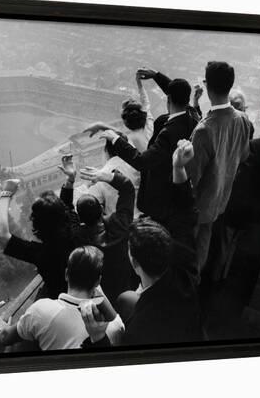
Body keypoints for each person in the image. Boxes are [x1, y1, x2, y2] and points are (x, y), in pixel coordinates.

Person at [80, 141, 203, 347]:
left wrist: (97, 337)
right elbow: (185, 213)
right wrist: (178, 167)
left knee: (125, 299)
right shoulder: (187, 271)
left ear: (134, 263)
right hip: (193, 329)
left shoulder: (141, 327)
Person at [93, 76, 199, 244]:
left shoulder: (166, 132)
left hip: (158, 195)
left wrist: (113, 138)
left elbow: (142, 162)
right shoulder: (192, 117)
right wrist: (156, 76)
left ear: (169, 98)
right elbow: (164, 97)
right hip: (174, 190)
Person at [0, 246, 124, 350]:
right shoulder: (113, 327)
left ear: (66, 274)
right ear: (98, 282)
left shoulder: (41, 310)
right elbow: (117, 322)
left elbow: (6, 337)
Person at [186, 61, 253, 275]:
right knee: (202, 253)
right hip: (220, 200)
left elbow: (191, 177)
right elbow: (243, 155)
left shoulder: (204, 130)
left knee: (189, 258)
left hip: (198, 207)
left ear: (207, 87)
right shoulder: (243, 120)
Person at [57, 154, 137, 302]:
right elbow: (127, 189)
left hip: (100, 297)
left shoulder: (77, 237)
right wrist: (105, 176)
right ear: (101, 210)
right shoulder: (120, 224)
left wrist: (70, 179)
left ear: (79, 218)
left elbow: (65, 211)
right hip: (127, 288)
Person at [0, 179, 76, 299]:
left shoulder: (42, 253)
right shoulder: (75, 230)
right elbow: (66, 205)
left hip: (59, 302)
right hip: (81, 296)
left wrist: (6, 193)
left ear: (37, 225)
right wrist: (70, 181)